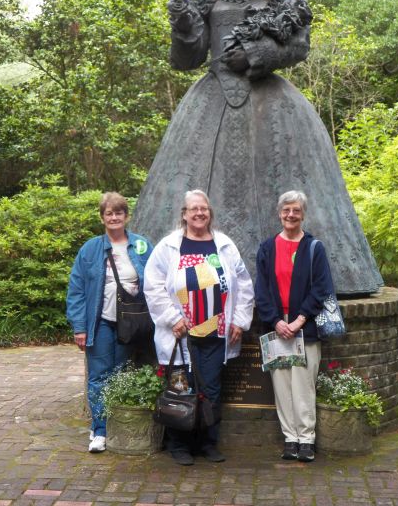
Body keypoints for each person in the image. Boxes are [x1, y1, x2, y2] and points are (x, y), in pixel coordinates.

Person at [132, 0, 382, 296]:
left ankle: (305, 277)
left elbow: (298, 47)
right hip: (211, 98)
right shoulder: (212, 4)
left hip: (271, 103)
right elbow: (188, 58)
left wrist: (255, 54)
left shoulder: (282, 5)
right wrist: (185, 27)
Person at [144, 189, 254, 465]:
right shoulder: (169, 247)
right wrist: (172, 318)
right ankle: (178, 445)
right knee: (181, 388)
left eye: (203, 208)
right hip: (181, 334)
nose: (199, 213)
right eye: (193, 209)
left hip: (215, 334)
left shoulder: (224, 245)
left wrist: (240, 320)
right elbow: (153, 285)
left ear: (210, 212)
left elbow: (243, 283)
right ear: (184, 214)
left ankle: (208, 443)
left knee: (212, 389)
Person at [66, 192, 153, 453]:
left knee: (118, 374)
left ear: (126, 216)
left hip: (131, 323)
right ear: (102, 217)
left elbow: (157, 282)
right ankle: (100, 430)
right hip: (100, 321)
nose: (114, 217)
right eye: (109, 213)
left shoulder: (141, 246)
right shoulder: (91, 249)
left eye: (118, 213)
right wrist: (79, 327)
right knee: (99, 375)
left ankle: (114, 424)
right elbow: (76, 289)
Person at [255, 190, 336, 462]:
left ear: (303, 214)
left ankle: (306, 439)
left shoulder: (315, 248)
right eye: (286, 210)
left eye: (296, 211)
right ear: (279, 213)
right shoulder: (267, 248)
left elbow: (322, 287)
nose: (291, 215)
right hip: (277, 328)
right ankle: (290, 438)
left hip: (306, 327)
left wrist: (299, 320)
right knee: (282, 385)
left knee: (303, 385)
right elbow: (262, 291)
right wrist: (277, 322)